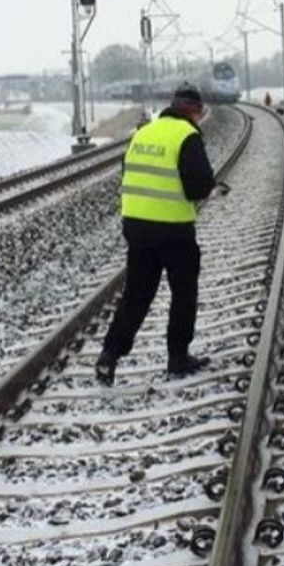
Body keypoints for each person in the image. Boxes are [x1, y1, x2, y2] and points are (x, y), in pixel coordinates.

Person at [95, 83, 217, 385]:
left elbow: (130, 174)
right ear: (195, 112)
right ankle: (178, 357)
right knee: (183, 293)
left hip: (136, 227)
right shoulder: (187, 136)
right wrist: (208, 190)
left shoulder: (142, 133)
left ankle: (109, 355)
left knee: (136, 294)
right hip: (174, 229)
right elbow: (199, 186)